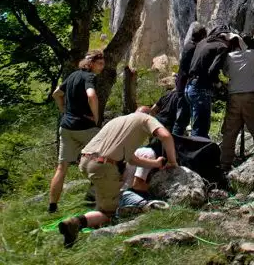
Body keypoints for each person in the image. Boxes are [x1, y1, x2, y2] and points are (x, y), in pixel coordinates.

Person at [57, 107, 177, 247]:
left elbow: (132, 160)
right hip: (103, 166)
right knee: (108, 212)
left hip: (85, 161)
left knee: (104, 197)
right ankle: (74, 223)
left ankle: (88, 220)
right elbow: (166, 136)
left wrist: (155, 163)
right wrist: (173, 162)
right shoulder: (146, 118)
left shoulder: (118, 121)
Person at [48, 49, 105, 213]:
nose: (101, 67)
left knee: (61, 168)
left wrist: (63, 110)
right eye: (100, 64)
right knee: (105, 159)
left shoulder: (73, 75)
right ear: (91, 63)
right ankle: (94, 199)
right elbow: (91, 95)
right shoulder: (89, 77)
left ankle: (52, 206)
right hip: (85, 127)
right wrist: (96, 118)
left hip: (66, 128)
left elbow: (56, 93)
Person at [220, 37, 254, 173]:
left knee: (230, 132)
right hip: (250, 97)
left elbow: (226, 73)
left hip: (234, 97)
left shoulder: (228, 57)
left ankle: (225, 165)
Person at [185, 27, 231, 138]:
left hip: (189, 86)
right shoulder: (222, 47)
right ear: (225, 37)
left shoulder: (202, 42)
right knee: (201, 128)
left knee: (196, 125)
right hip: (200, 88)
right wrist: (219, 84)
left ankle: (195, 151)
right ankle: (198, 154)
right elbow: (212, 70)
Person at [172, 22, 207, 135]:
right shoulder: (194, 48)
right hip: (185, 86)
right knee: (182, 119)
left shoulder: (189, 45)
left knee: (183, 118)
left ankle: (176, 143)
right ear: (202, 36)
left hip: (182, 85)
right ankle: (175, 144)